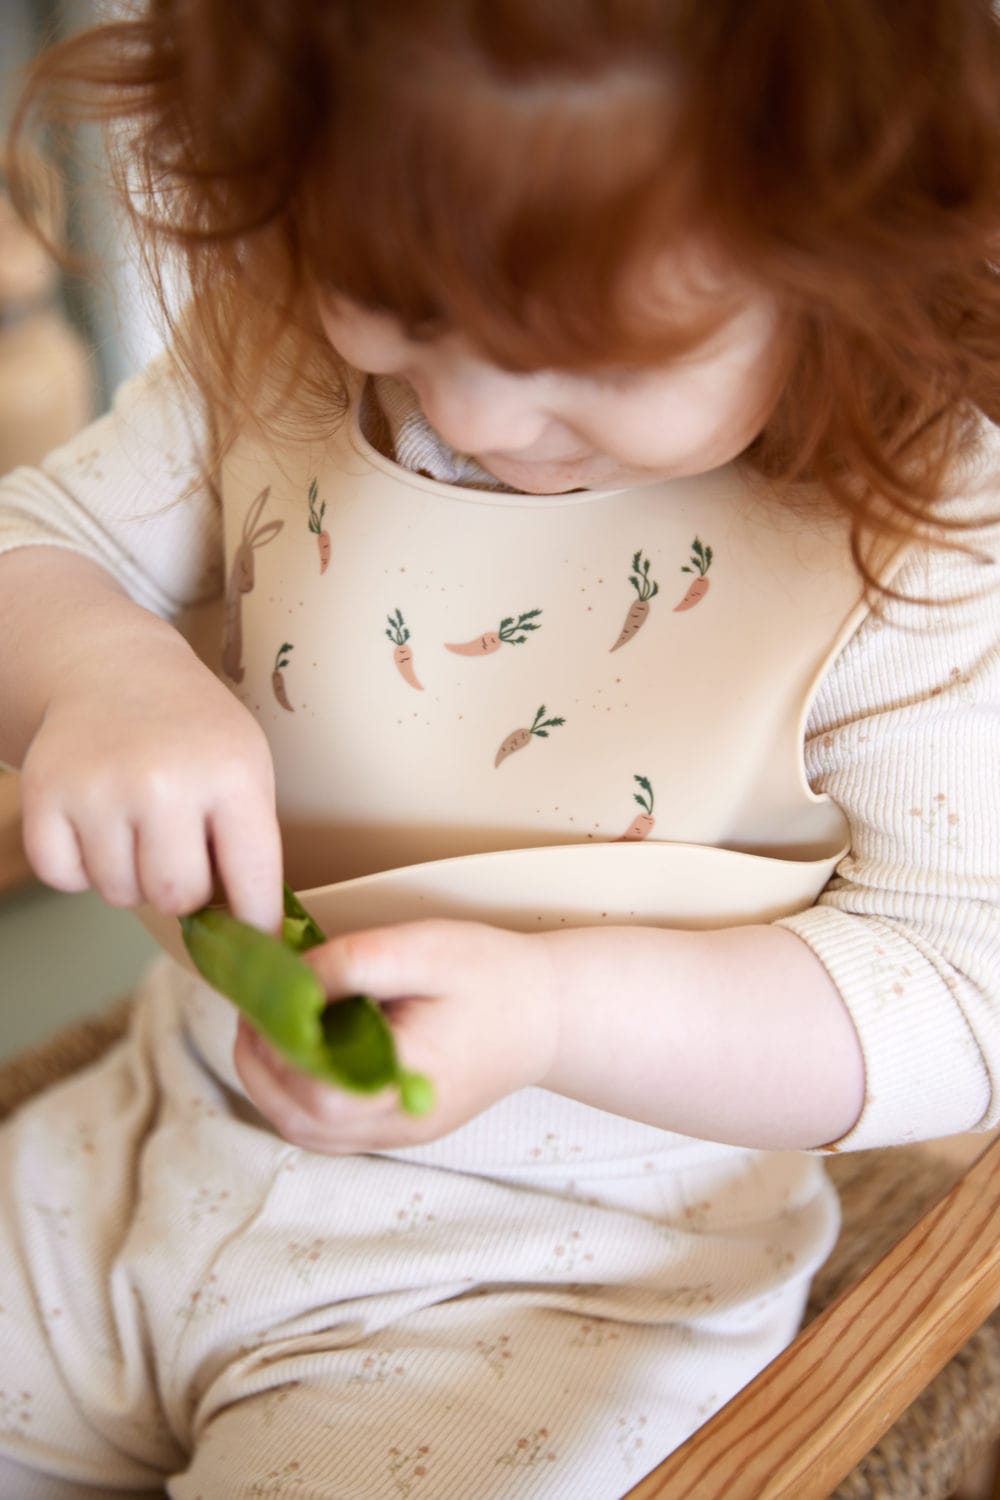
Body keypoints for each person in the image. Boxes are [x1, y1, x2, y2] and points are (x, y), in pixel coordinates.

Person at [0, 2, 998, 1495]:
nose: (469, 407)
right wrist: (101, 671)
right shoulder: (269, 342)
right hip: (152, 1141)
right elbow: (39, 541)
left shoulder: (919, 539)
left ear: (843, 256)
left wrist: (549, 1012)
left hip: (567, 1281)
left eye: (590, 352)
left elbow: (963, 990)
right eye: (392, 302)